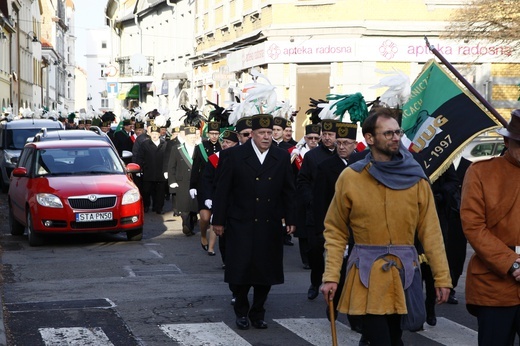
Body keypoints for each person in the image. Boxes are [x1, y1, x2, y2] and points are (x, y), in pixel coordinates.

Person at [320, 108, 452, 346]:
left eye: (397, 132)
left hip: (405, 273)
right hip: (366, 273)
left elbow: (431, 232)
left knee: (394, 338)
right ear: (369, 138)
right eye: (388, 133)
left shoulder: (417, 178)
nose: (395, 138)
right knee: (379, 338)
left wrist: (442, 278)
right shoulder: (351, 177)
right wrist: (331, 276)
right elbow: (336, 230)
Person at [212, 114, 296, 330]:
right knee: (239, 271)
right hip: (240, 222)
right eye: (262, 133)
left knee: (265, 272)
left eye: (269, 133)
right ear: (252, 135)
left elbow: (288, 191)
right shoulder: (233, 155)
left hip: (269, 223)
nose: (266, 137)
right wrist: (218, 220)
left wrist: (292, 219)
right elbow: (223, 190)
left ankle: (258, 311)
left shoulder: (280, 156)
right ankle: (241, 310)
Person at [460, 109, 520, 346]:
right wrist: (512, 262)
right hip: (494, 286)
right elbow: (473, 227)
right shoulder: (481, 172)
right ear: (507, 141)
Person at [296, 119, 338, 300]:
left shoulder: (346, 155)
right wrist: (311, 201)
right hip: (317, 212)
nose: (327, 138)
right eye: (325, 134)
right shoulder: (312, 157)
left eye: (331, 135)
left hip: (339, 212)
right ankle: (315, 281)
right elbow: (303, 181)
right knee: (315, 251)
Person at [291, 124, 321, 269]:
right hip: (301, 196)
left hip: (317, 195)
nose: (313, 141)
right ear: (305, 138)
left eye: (316, 138)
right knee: (303, 229)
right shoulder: (297, 154)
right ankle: (306, 259)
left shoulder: (323, 153)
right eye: (310, 138)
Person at [190, 121, 222, 254]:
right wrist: (192, 186)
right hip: (204, 186)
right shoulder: (201, 147)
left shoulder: (223, 146)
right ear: (207, 134)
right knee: (204, 217)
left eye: (216, 133)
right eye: (212, 133)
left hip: (219, 186)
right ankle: (203, 234)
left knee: (215, 217)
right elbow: (195, 168)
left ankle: (211, 247)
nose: (214, 136)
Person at [165, 126, 199, 236]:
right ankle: (186, 225)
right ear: (185, 136)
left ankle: (191, 224)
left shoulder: (200, 148)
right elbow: (171, 166)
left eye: (194, 137)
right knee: (184, 206)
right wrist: (172, 181)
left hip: (196, 182)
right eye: (190, 137)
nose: (192, 139)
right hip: (182, 181)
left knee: (194, 206)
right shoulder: (177, 148)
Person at [135, 124, 167, 214]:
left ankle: (159, 207)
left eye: (156, 133)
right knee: (146, 191)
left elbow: (168, 158)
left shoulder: (164, 144)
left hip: (161, 172)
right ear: (150, 134)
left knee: (160, 192)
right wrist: (138, 169)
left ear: (159, 134)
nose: (154, 135)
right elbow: (140, 157)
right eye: (152, 133)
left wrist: (167, 170)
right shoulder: (145, 144)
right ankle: (146, 206)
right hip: (148, 172)